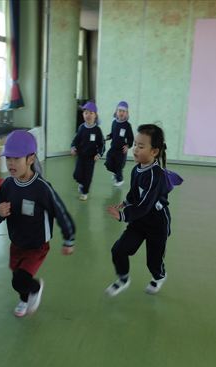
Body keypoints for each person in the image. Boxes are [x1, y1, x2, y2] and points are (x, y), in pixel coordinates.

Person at [0, 130, 76, 317]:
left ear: (30, 159)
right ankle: (24, 299)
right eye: (8, 158)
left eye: (16, 158)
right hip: (17, 242)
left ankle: (36, 288)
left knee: (20, 279)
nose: (11, 163)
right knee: (17, 278)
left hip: (37, 245)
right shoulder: (7, 185)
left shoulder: (42, 188)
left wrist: (69, 238)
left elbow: (60, 211)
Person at [105, 124, 175, 297]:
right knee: (118, 250)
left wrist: (123, 215)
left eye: (141, 146)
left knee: (153, 261)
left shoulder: (155, 175)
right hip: (139, 221)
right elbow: (135, 193)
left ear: (154, 151)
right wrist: (125, 202)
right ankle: (123, 278)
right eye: (135, 144)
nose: (135, 149)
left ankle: (159, 276)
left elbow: (145, 205)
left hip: (157, 225)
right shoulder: (136, 169)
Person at [70, 101, 105, 201]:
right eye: (86, 113)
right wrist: (73, 147)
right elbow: (75, 140)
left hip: (91, 158)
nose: (88, 115)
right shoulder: (81, 128)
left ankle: (84, 192)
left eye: (91, 113)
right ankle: (81, 183)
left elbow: (102, 144)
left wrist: (99, 154)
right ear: (83, 115)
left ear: (95, 115)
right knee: (77, 174)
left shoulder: (97, 130)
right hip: (81, 156)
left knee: (87, 176)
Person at [104, 101, 134, 187]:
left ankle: (120, 180)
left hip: (121, 150)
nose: (121, 113)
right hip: (113, 148)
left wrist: (128, 145)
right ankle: (115, 173)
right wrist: (108, 137)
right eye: (120, 110)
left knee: (119, 165)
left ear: (126, 113)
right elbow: (112, 134)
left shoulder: (127, 125)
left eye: (123, 111)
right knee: (108, 162)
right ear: (116, 112)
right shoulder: (114, 123)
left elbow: (131, 138)